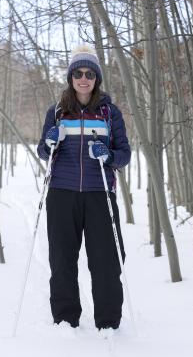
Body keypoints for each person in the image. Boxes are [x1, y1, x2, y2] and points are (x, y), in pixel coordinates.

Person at [37, 45, 131, 331]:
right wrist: (51, 142)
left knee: (106, 261)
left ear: (97, 78)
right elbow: (43, 150)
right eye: (78, 72)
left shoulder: (109, 113)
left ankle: (108, 322)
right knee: (62, 258)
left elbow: (124, 154)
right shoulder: (56, 112)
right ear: (70, 77)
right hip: (62, 193)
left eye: (89, 73)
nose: (83, 78)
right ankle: (65, 320)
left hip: (99, 193)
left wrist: (108, 155)